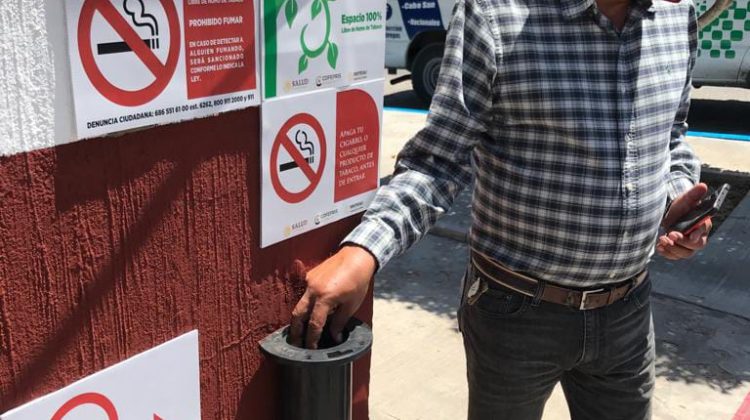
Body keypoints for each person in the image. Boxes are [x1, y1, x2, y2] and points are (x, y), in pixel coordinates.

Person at [290, 0, 710, 417]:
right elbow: (438, 162)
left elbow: (672, 136)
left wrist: (679, 202)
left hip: (628, 312)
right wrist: (363, 252)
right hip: (517, 313)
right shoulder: (494, 14)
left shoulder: (676, 15)